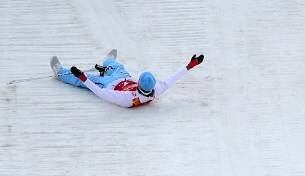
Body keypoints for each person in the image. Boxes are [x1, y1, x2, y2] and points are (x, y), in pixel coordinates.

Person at [49, 49, 203, 108]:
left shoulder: (127, 99)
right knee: (116, 66)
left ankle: (61, 72)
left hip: (108, 84)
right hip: (124, 78)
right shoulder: (156, 89)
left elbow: (101, 93)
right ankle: (108, 61)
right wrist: (190, 65)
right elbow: (172, 79)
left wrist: (83, 78)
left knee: (80, 80)